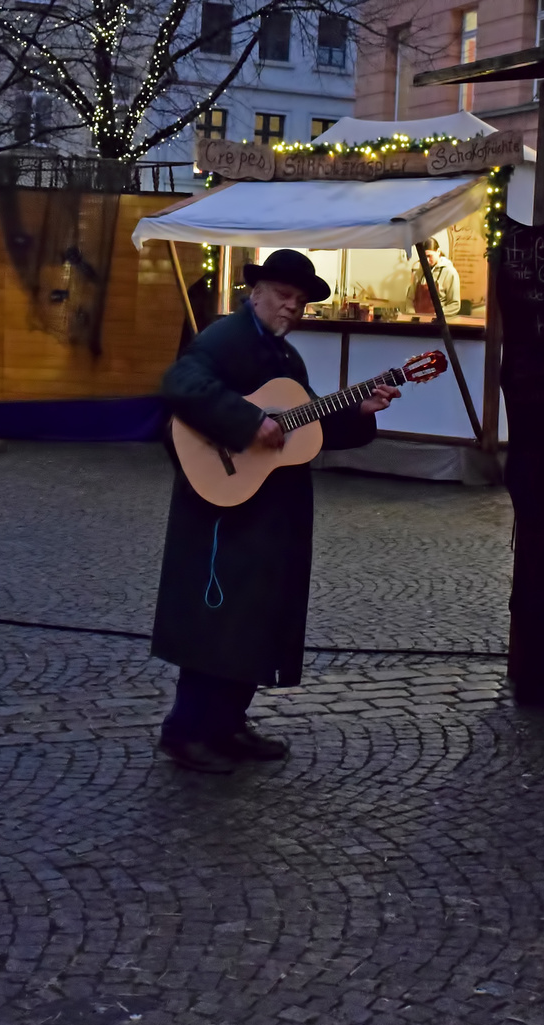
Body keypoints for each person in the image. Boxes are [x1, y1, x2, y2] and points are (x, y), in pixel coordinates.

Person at [151, 249, 400, 774]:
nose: (291, 308)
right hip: (225, 511)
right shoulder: (225, 337)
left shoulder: (286, 360)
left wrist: (359, 412)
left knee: (254, 620)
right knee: (216, 620)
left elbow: (305, 425)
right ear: (256, 292)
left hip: (264, 512)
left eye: (301, 302)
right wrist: (245, 421)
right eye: (284, 296)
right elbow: (181, 384)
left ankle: (228, 724)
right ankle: (187, 730)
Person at [410, 238, 461, 313]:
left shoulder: (450, 273)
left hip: (437, 321)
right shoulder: (419, 272)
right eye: (423, 257)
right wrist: (411, 313)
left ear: (438, 252)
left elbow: (455, 304)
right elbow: (410, 298)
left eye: (429, 256)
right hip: (418, 320)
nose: (426, 260)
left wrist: (437, 316)